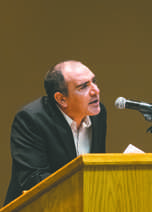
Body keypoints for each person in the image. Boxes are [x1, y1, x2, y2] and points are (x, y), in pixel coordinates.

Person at [4, 60, 107, 205]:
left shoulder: (98, 115)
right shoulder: (31, 119)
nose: (96, 90)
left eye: (94, 81)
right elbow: (35, 179)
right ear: (61, 99)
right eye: (83, 86)